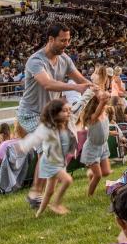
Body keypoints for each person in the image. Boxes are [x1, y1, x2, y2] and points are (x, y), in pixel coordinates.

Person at [15, 25, 92, 207]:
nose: (66, 44)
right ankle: (35, 193)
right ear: (51, 39)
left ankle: (40, 190)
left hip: (49, 114)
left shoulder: (65, 59)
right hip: (30, 113)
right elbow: (47, 84)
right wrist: (74, 87)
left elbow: (81, 80)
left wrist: (94, 87)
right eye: (62, 40)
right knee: (48, 145)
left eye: (68, 39)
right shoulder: (36, 60)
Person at [17, 98, 76, 217]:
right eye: (64, 111)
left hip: (59, 162)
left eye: (69, 110)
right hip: (50, 162)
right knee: (67, 180)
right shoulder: (47, 127)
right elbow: (35, 137)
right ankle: (56, 204)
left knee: (49, 192)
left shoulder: (68, 123)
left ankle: (38, 213)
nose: (68, 113)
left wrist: (89, 93)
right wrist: (23, 146)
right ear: (54, 113)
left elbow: (80, 105)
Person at [78, 91, 113, 197]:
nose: (104, 104)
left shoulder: (105, 113)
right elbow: (97, 114)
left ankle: (91, 173)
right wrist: (102, 101)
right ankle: (90, 196)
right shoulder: (92, 117)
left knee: (106, 172)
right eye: (101, 103)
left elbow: (102, 129)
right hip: (92, 149)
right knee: (98, 176)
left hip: (103, 146)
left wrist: (111, 132)